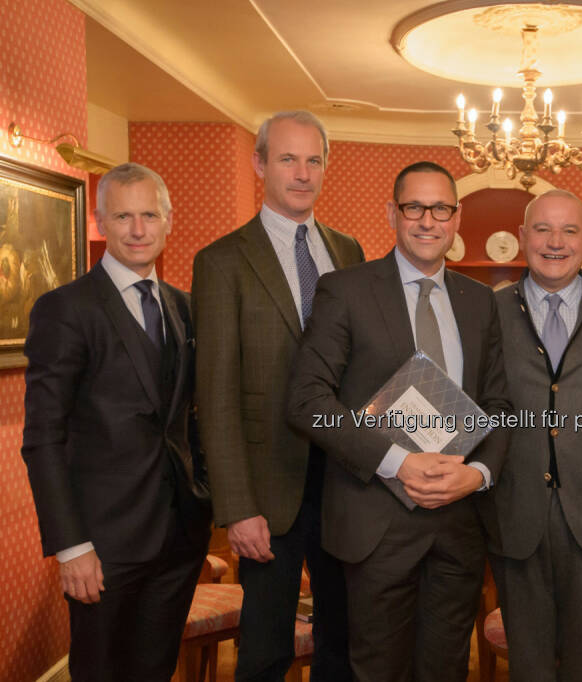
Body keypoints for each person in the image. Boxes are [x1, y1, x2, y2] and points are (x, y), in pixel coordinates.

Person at [286, 161, 510, 682]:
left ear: (457, 218)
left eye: (441, 209)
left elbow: (499, 406)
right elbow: (307, 401)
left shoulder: (479, 301)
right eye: (414, 207)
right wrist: (396, 462)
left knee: (446, 670)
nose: (428, 221)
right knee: (378, 671)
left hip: (458, 524)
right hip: (375, 522)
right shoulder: (346, 290)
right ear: (392, 213)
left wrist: (476, 475)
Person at [21, 163, 211, 681]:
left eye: (149, 215)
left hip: (178, 537)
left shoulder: (184, 308)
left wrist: (205, 494)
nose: (137, 229)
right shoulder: (65, 309)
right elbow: (43, 439)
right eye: (123, 216)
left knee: (154, 671)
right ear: (102, 221)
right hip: (102, 547)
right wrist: (71, 546)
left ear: (168, 221)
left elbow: (192, 416)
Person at [192, 110, 364, 681]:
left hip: (344, 483)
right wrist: (237, 507)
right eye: (288, 159)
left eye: (314, 160)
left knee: (345, 643)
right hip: (267, 494)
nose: (302, 173)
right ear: (260, 164)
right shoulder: (222, 261)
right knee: (266, 650)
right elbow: (216, 396)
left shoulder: (348, 251)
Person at [489, 189, 582, 681]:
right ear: (522, 237)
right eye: (542, 229)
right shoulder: (486, 311)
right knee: (528, 668)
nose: (555, 242)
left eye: (569, 231)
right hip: (514, 517)